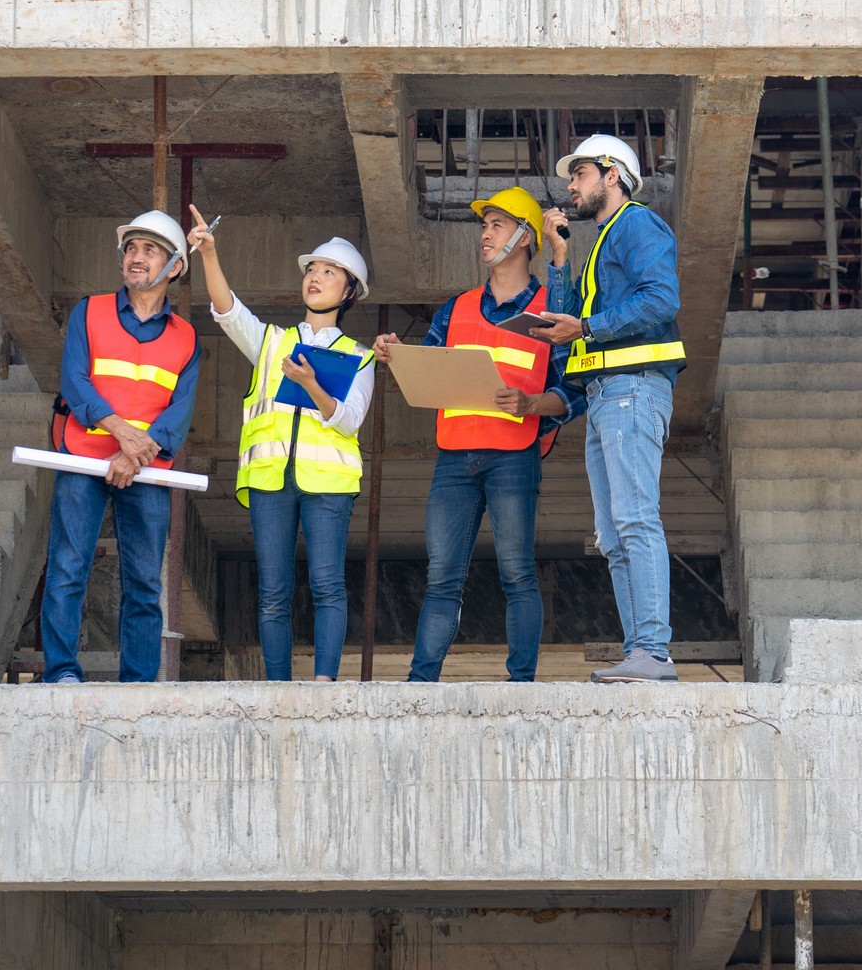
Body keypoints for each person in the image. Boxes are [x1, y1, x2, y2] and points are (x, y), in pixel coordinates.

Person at [375, 187, 580, 683]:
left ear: (524, 238)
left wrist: (531, 404)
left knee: (517, 574)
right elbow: (427, 372)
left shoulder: (552, 307)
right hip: (454, 458)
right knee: (442, 578)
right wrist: (397, 354)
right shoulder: (456, 308)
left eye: (497, 225)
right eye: (483, 226)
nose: (485, 235)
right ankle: (419, 684)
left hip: (514, 455)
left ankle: (520, 685)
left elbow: (574, 392)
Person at [187, 208, 375, 682]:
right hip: (270, 481)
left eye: (329, 272)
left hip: (328, 485)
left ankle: (325, 683)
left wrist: (313, 386)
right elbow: (227, 309)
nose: (315, 277)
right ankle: (277, 686)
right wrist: (209, 253)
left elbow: (349, 420)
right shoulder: (271, 342)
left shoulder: (359, 355)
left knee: (328, 585)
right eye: (312, 269)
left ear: (348, 291)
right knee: (273, 590)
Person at [532, 135, 686, 684]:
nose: (571, 186)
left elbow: (661, 299)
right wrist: (558, 257)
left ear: (612, 175)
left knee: (635, 520)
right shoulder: (600, 242)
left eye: (580, 175)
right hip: (606, 395)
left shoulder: (637, 225)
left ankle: (653, 651)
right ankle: (640, 651)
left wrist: (590, 327)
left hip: (631, 389)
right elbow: (562, 323)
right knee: (614, 533)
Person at [42, 210, 201, 684]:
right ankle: (61, 673)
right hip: (83, 456)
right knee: (68, 568)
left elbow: (179, 413)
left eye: (149, 250)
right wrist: (121, 434)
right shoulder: (87, 311)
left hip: (147, 469)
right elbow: (75, 381)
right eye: (131, 248)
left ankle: (137, 683)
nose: (136, 257)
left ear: (174, 267)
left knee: (144, 584)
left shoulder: (186, 337)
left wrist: (133, 453)